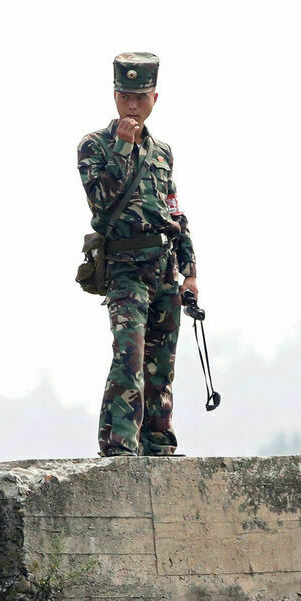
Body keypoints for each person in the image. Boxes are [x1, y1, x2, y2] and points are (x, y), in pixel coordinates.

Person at [77, 52, 199, 457]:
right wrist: (123, 148)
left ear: (154, 99)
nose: (133, 105)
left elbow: (175, 212)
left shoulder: (163, 152)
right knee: (128, 357)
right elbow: (101, 202)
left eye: (140, 97)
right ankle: (119, 449)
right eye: (126, 96)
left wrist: (190, 271)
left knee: (160, 364)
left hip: (162, 268)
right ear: (115, 96)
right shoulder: (94, 145)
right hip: (124, 270)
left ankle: (158, 444)